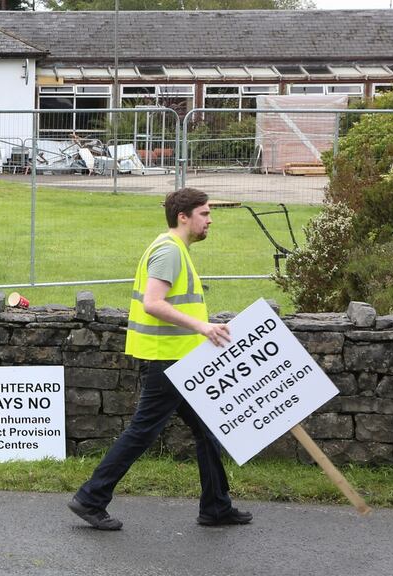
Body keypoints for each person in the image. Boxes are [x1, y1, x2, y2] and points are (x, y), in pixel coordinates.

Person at [68, 187, 252, 530]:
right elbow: (154, 302)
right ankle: (91, 498)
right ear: (184, 217)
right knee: (141, 432)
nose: (210, 220)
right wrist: (203, 327)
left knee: (207, 430)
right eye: (205, 214)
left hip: (181, 360)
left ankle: (216, 507)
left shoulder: (175, 249)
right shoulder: (169, 252)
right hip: (168, 362)